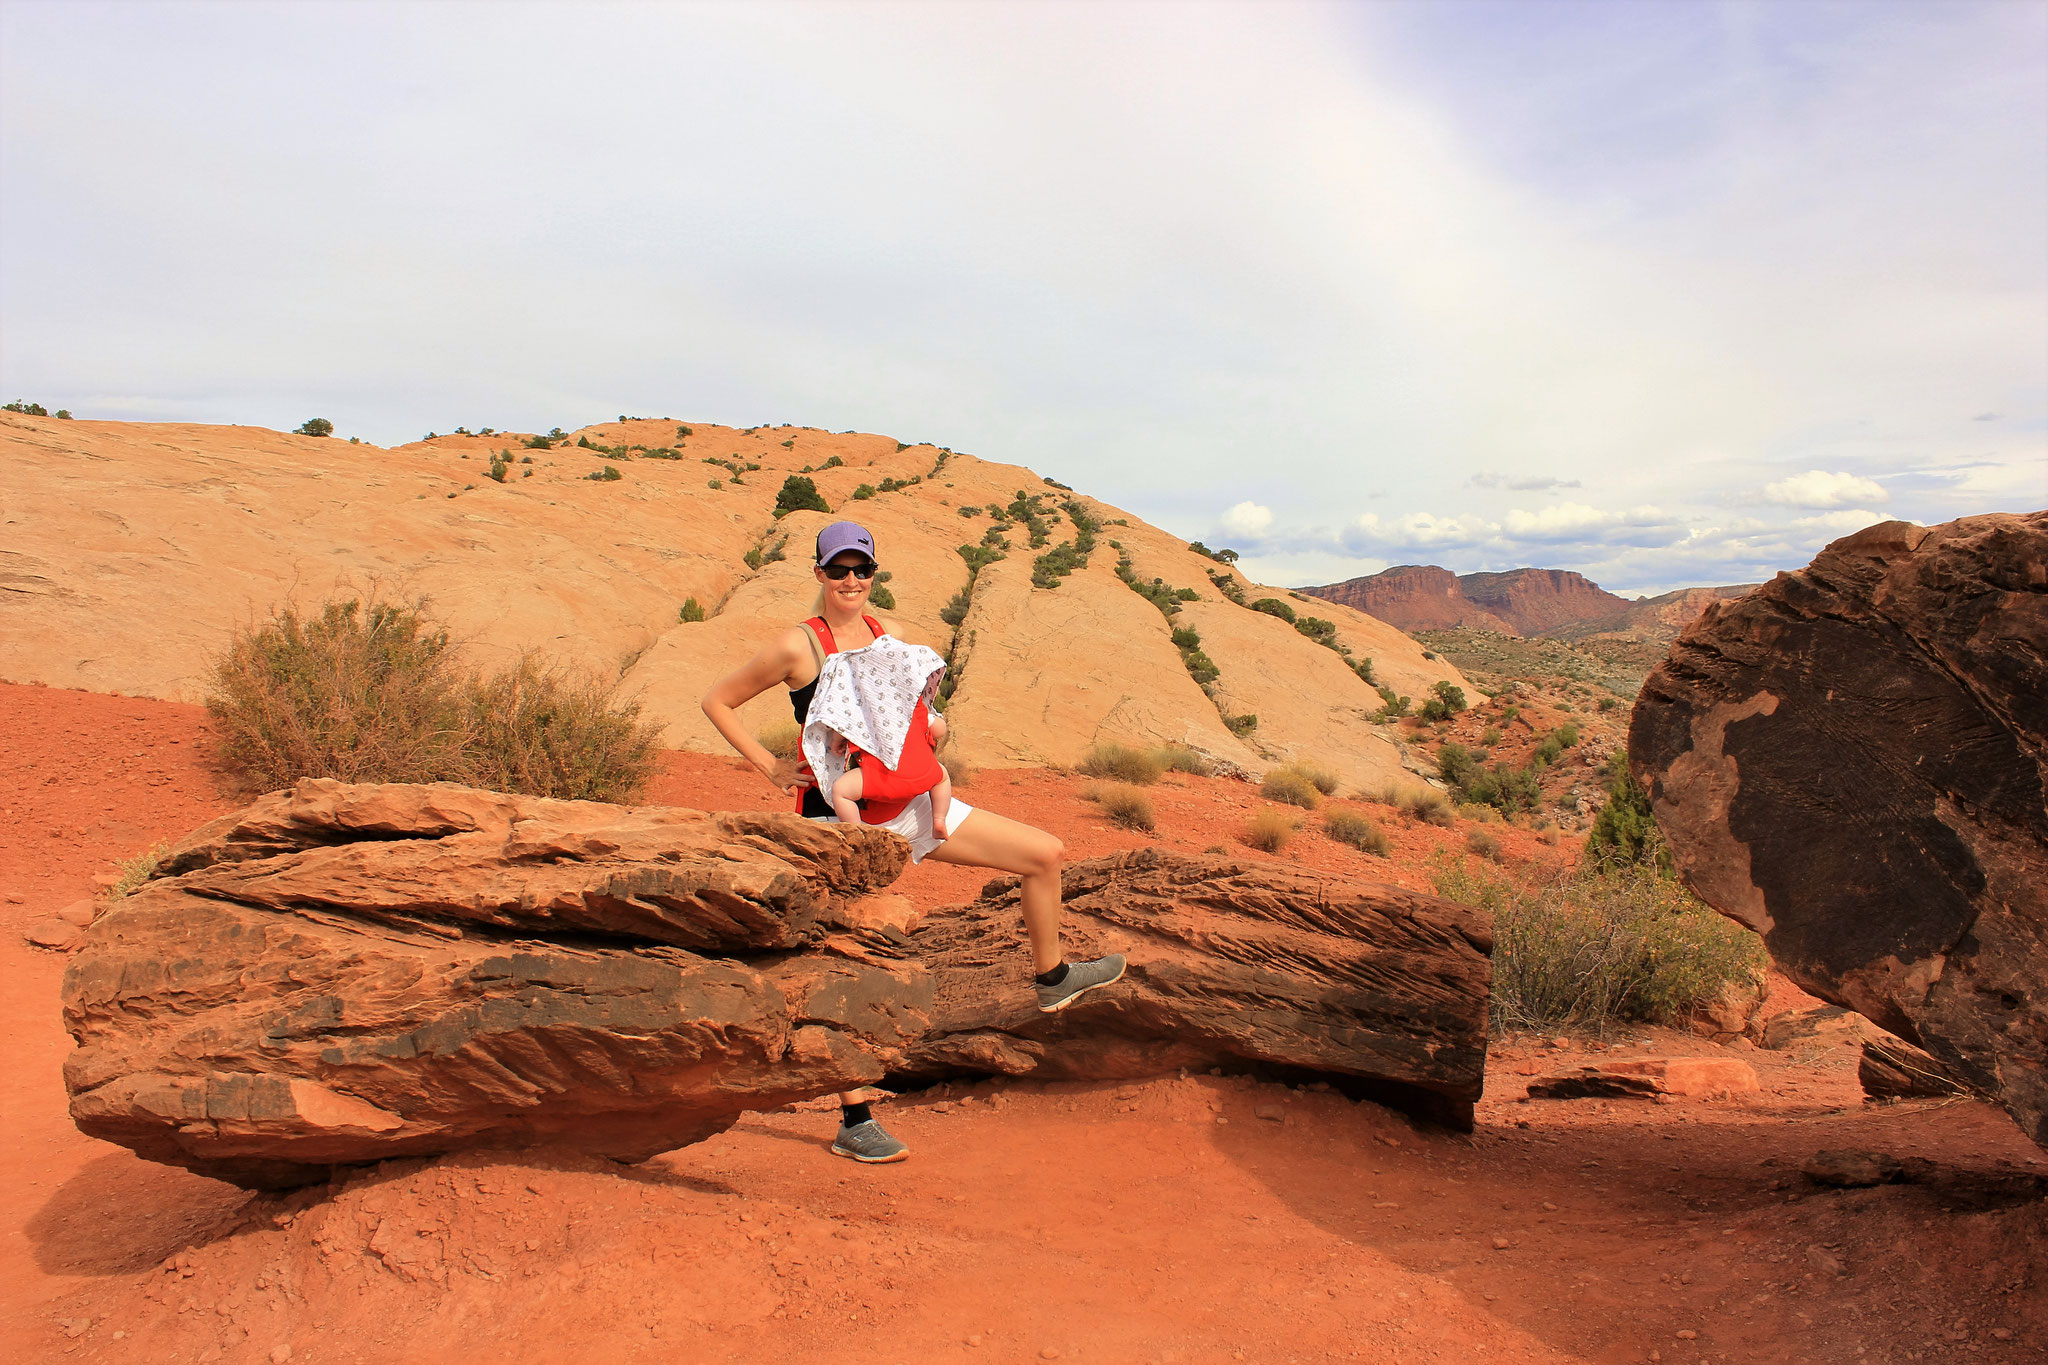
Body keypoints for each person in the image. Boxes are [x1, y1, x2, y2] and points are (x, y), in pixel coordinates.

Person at [701, 520, 1126, 1164]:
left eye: (862, 570)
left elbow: (917, 725)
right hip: (837, 819)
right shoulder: (797, 647)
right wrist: (768, 765)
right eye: (839, 570)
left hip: (908, 803)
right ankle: (856, 1118)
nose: (851, 581)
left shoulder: (890, 638)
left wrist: (937, 733)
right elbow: (717, 701)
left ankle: (1053, 975)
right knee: (848, 961)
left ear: (873, 575)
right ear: (818, 574)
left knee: (1044, 854)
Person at [826, 701, 953, 843]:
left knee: (840, 791)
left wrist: (835, 742)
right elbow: (940, 730)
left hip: (884, 778)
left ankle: (859, 835)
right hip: (922, 775)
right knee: (943, 778)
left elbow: (841, 726)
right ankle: (939, 820)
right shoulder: (913, 705)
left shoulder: (859, 704)